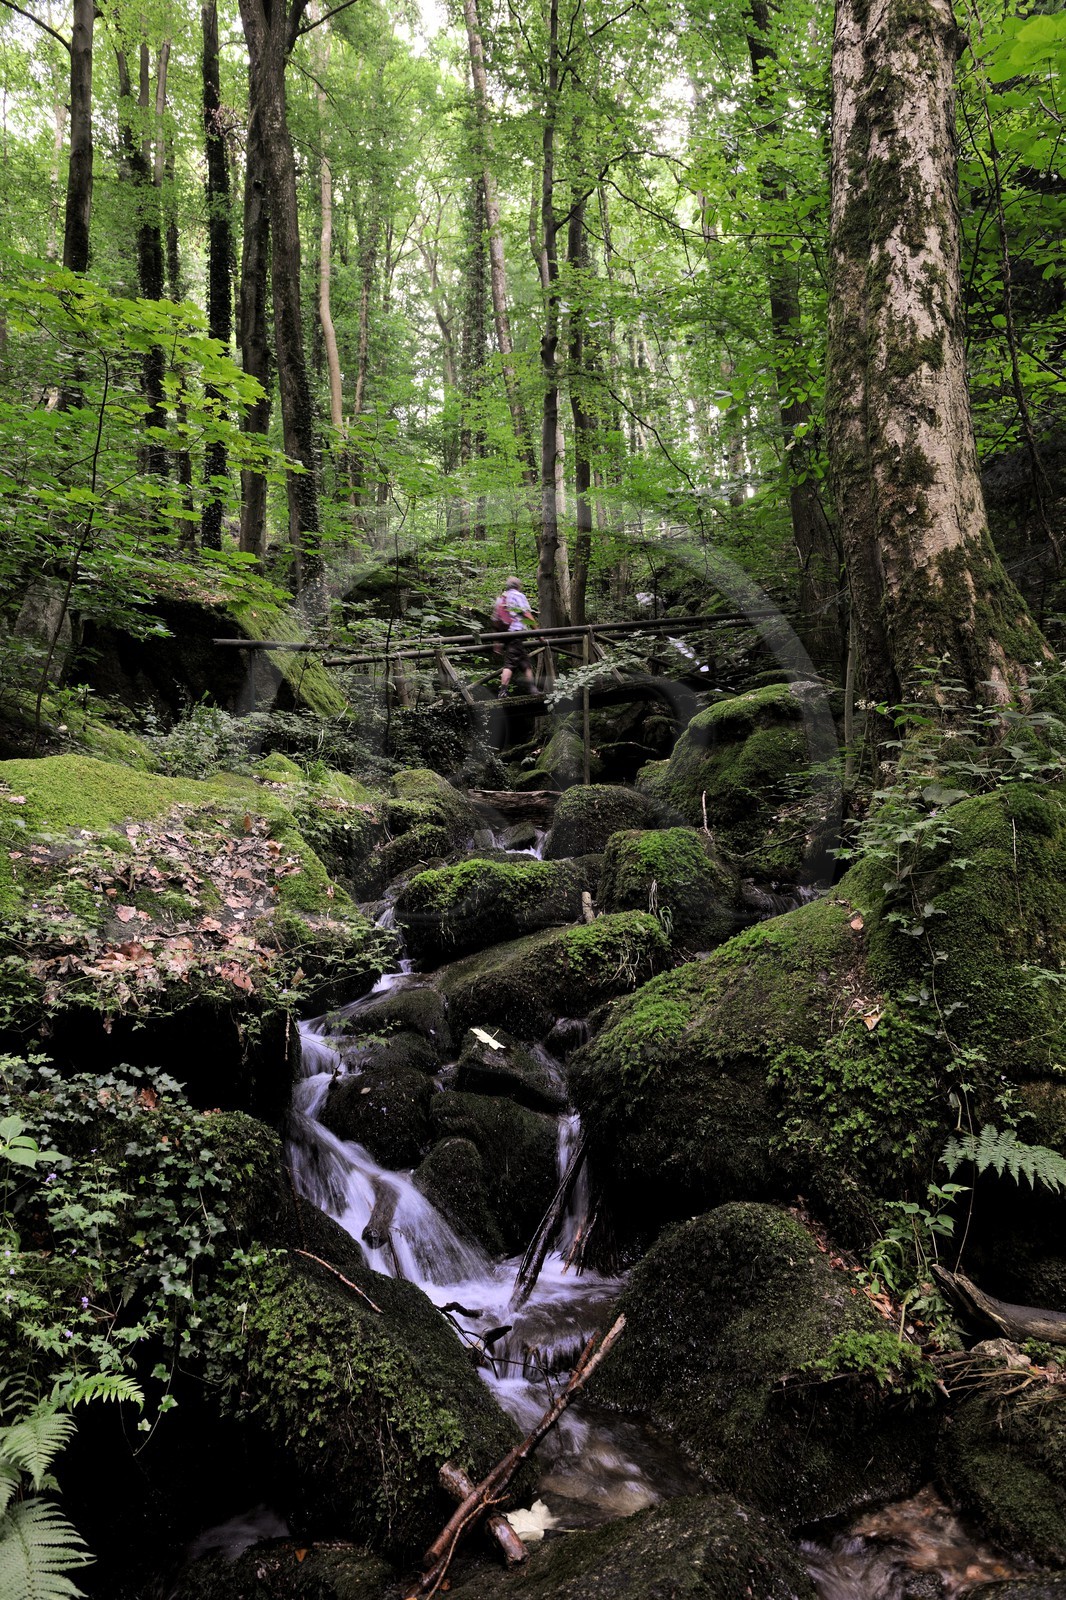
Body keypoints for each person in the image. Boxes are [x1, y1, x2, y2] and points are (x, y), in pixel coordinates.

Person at [494, 576, 542, 698]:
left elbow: (496, 620)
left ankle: (533, 689)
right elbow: (527, 615)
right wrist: (538, 634)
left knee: (525, 663)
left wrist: (497, 641)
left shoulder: (502, 598)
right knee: (510, 663)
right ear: (518, 586)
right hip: (515, 633)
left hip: (506, 635)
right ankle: (502, 691)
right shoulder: (518, 596)